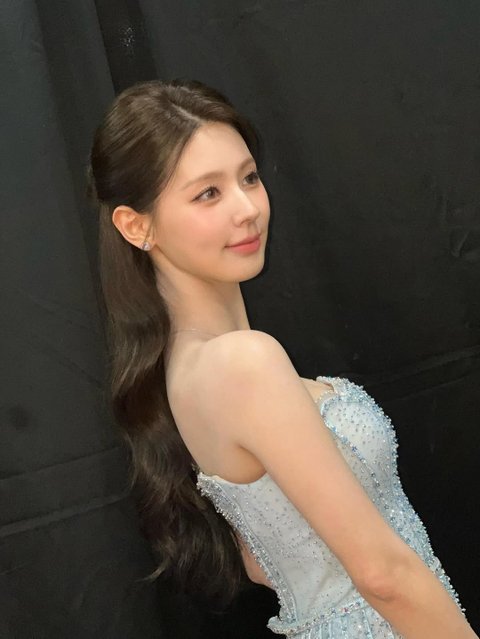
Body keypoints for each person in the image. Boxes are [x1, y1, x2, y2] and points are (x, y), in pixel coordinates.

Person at [85, 78, 477, 638]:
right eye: (208, 193)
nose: (248, 209)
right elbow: (383, 575)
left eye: (249, 177)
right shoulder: (243, 363)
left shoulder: (188, 370)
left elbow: (258, 558)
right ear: (136, 225)